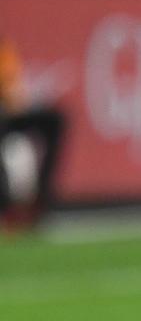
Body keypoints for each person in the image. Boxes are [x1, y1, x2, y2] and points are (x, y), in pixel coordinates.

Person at [0, 37, 65, 230]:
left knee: (54, 120)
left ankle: (39, 200)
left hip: (8, 113)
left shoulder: (5, 51)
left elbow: (14, 94)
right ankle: (7, 204)